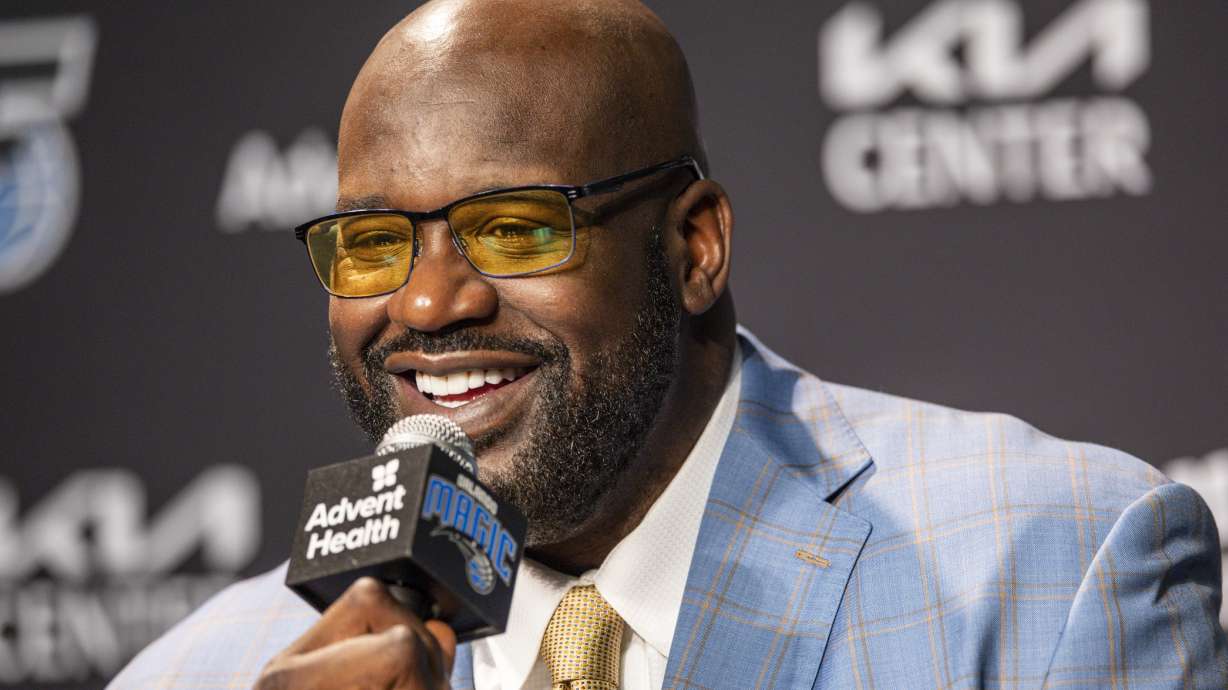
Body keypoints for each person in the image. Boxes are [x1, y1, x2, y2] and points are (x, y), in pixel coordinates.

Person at [110, 0, 1227, 688]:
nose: (427, 303)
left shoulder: (1048, 577)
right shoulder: (200, 674)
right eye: (371, 245)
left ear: (695, 247)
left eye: (514, 227)